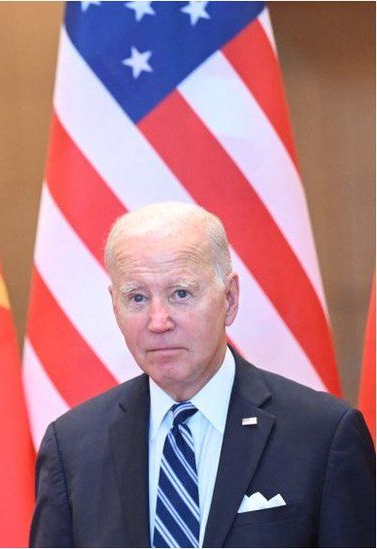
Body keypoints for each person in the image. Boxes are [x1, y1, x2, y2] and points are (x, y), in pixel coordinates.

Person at [29, 202, 375, 547]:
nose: (158, 321)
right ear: (114, 306)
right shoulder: (72, 446)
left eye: (181, 294)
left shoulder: (324, 435)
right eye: (137, 298)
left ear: (230, 298)